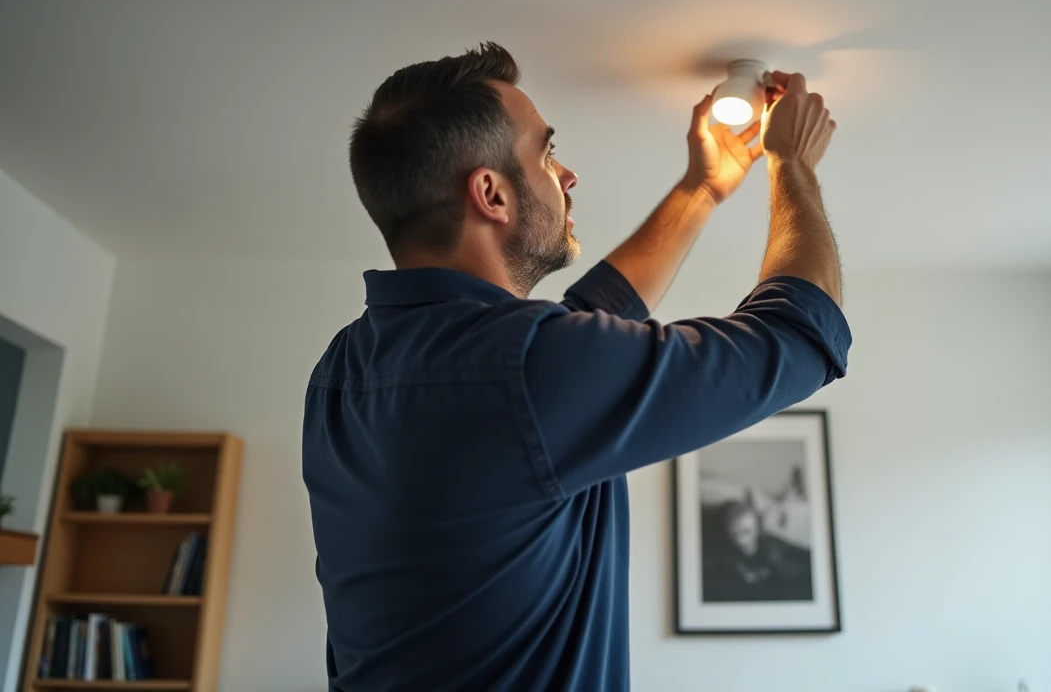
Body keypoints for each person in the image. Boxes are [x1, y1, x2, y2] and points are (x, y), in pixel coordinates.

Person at [302, 43, 850, 691]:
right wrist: (793, 166)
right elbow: (798, 338)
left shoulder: (344, 369)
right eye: (546, 151)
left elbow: (582, 324)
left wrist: (701, 187)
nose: (567, 176)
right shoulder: (524, 369)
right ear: (491, 194)